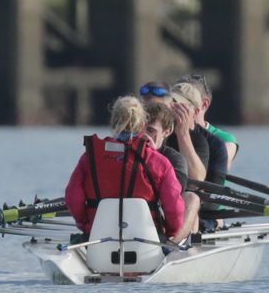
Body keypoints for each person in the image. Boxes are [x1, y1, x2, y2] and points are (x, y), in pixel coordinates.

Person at [65, 95, 187, 243]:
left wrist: (84, 224)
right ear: (142, 123)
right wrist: (171, 232)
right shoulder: (159, 162)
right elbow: (174, 208)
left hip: (98, 239)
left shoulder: (90, 157)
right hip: (146, 243)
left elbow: (73, 197)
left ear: (113, 121)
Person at [139, 85, 203, 241]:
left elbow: (174, 200)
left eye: (151, 131)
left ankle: (173, 243)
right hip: (131, 218)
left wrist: (152, 156)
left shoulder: (174, 159)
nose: (145, 136)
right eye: (142, 130)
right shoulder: (124, 152)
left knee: (192, 198)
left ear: (166, 132)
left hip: (159, 222)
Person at [170, 79, 230, 185]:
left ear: (196, 112)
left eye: (179, 105)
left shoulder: (215, 144)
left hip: (197, 198)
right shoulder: (161, 133)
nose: (172, 108)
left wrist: (183, 135)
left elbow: (199, 183)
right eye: (171, 103)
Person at [175, 73, 239, 167]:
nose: (178, 107)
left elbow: (215, 171)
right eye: (175, 101)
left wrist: (183, 135)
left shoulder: (225, 140)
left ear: (204, 104)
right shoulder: (165, 132)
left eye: (184, 102)